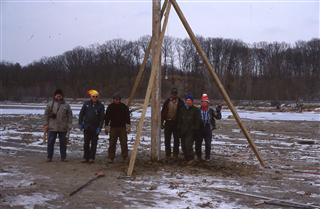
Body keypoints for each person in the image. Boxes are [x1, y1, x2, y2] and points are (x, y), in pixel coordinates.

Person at [44, 89, 73, 162]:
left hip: (63, 128)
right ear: (55, 96)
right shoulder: (50, 104)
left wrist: (69, 125)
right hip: (52, 127)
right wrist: (46, 124)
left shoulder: (66, 105)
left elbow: (70, 116)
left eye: (60, 95)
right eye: (57, 95)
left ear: (62, 96)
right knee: (50, 143)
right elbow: (46, 115)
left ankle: (63, 157)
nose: (58, 96)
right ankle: (49, 157)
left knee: (63, 143)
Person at [79, 89, 105, 163]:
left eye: (96, 96)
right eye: (93, 96)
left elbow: (102, 118)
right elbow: (81, 114)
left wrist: (99, 127)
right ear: (91, 96)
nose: (95, 98)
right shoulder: (86, 104)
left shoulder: (101, 106)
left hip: (95, 127)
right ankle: (85, 157)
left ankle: (92, 158)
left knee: (94, 143)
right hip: (87, 127)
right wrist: (80, 123)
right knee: (86, 143)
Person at [105, 94, 131, 163]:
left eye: (118, 99)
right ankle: (111, 157)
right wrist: (106, 126)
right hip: (113, 128)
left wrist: (128, 126)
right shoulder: (110, 107)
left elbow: (127, 117)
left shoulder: (124, 107)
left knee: (124, 143)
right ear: (113, 99)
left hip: (122, 128)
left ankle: (125, 157)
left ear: (120, 100)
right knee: (112, 143)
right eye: (115, 99)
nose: (117, 100)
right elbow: (107, 117)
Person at [195, 93, 222, 161]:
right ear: (201, 103)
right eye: (203, 102)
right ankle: (199, 157)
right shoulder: (198, 110)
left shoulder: (211, 110)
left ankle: (207, 157)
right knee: (198, 144)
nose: (204, 103)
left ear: (207, 103)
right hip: (200, 128)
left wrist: (218, 111)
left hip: (208, 128)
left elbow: (218, 117)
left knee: (208, 144)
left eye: (205, 102)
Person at [161, 88, 185, 159]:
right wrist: (161, 122)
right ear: (171, 94)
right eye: (173, 93)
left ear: (177, 94)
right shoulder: (167, 102)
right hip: (168, 122)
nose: (174, 95)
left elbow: (183, 114)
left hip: (176, 123)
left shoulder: (181, 102)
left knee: (176, 140)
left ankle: (175, 154)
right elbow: (163, 112)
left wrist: (181, 124)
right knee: (167, 140)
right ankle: (168, 154)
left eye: (175, 93)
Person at [177, 94, 201, 162]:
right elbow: (179, 120)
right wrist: (179, 128)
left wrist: (195, 129)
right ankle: (186, 158)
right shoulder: (182, 109)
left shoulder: (196, 110)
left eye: (189, 100)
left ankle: (191, 158)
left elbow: (197, 121)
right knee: (183, 145)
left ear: (192, 101)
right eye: (187, 100)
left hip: (191, 131)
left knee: (188, 145)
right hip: (183, 130)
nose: (188, 102)